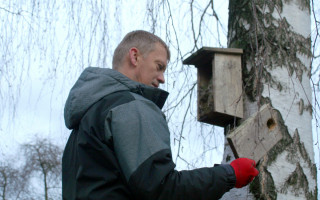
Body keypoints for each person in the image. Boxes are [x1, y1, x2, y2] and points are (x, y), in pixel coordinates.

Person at [62, 30, 259, 200]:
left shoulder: (89, 115)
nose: (162, 79)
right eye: (159, 66)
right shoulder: (132, 107)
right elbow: (163, 188)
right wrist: (230, 173)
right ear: (135, 56)